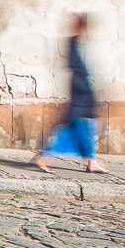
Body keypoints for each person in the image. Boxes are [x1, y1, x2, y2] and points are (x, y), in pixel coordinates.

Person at [32, 14, 109, 174]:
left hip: (84, 97)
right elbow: (77, 74)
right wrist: (85, 97)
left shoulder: (75, 45)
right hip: (81, 98)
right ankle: (43, 157)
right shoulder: (72, 45)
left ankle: (92, 161)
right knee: (75, 131)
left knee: (87, 129)